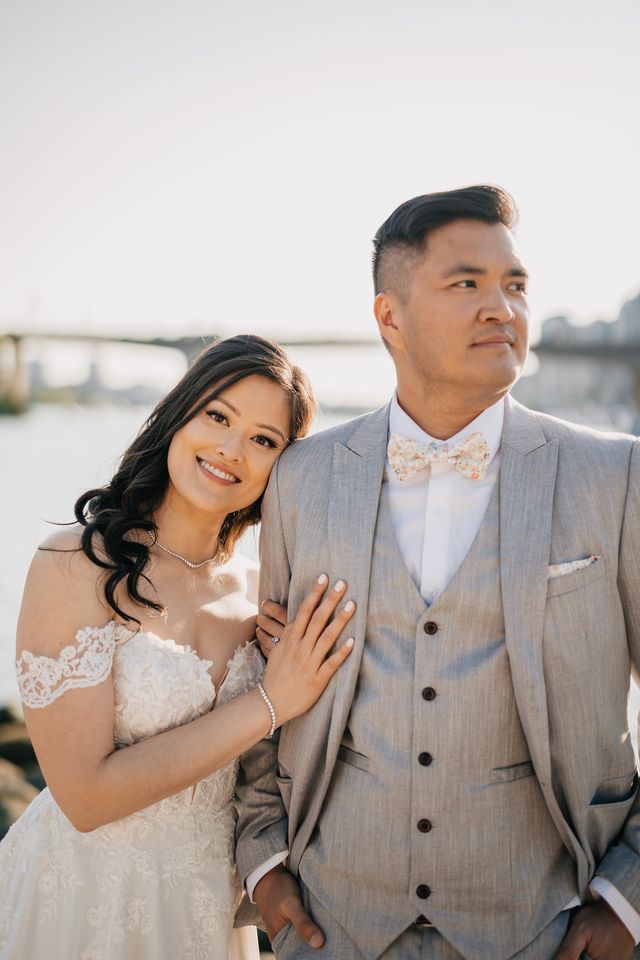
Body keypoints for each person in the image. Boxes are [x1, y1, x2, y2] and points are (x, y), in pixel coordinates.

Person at [235, 187, 640, 960]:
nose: (502, 307)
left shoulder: (616, 476)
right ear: (389, 317)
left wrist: (629, 899)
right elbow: (263, 682)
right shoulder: (302, 477)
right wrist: (264, 862)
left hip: (549, 928)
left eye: (514, 285)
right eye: (467, 284)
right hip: (329, 926)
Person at [0, 333, 355, 960]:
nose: (230, 449)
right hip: (83, 901)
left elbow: (270, 777)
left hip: (206, 911)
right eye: (218, 416)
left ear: (282, 467)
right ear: (179, 416)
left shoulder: (262, 599)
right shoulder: (75, 565)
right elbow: (84, 798)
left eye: (264, 440)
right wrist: (272, 701)